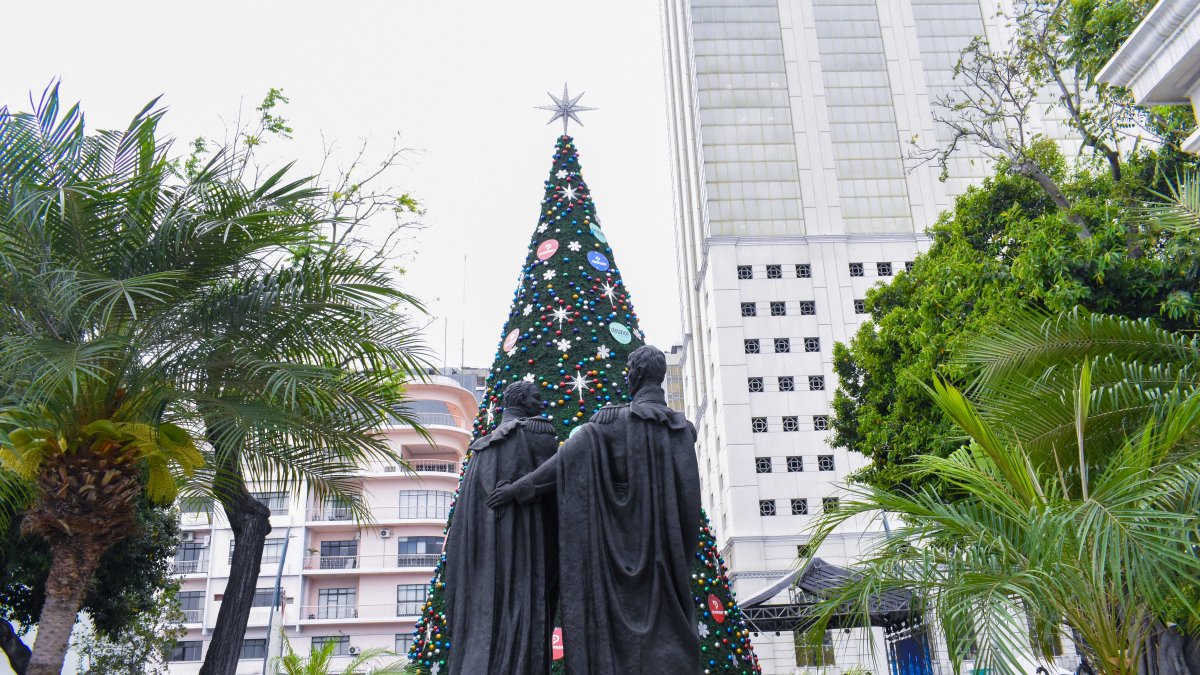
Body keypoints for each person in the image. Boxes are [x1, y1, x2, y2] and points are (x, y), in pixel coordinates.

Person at [488, 345, 702, 674]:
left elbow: (561, 464)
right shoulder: (684, 430)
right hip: (669, 557)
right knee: (668, 638)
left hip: (622, 558)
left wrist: (518, 489)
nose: (627, 375)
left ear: (639, 374)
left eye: (630, 371)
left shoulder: (611, 423)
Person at [444, 380, 558, 675]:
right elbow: (555, 478)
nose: (541, 403)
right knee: (523, 609)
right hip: (525, 547)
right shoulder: (537, 431)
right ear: (521, 400)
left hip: (487, 555)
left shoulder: (481, 449)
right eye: (536, 397)